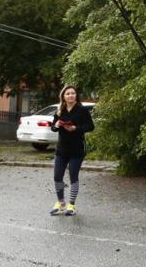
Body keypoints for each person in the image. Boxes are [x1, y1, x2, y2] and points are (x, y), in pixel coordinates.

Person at [49, 85, 94, 217]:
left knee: (73, 176)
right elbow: (53, 127)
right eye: (67, 93)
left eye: (73, 93)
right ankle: (61, 203)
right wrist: (56, 125)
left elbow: (91, 126)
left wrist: (76, 128)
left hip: (77, 149)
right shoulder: (60, 110)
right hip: (61, 149)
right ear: (63, 96)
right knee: (57, 177)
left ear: (76, 95)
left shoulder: (82, 110)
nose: (70, 95)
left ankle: (71, 205)